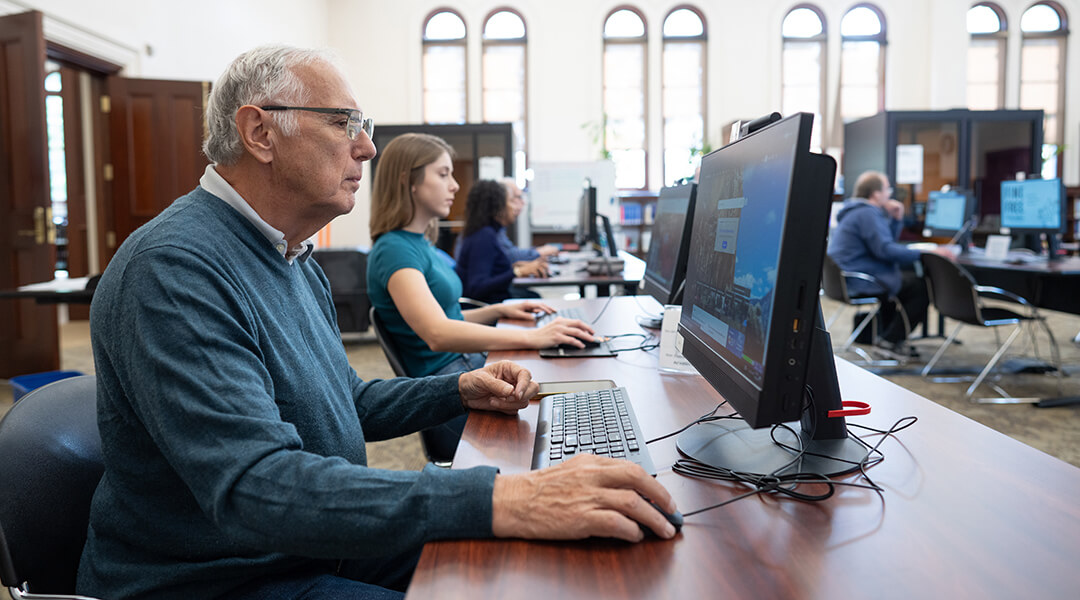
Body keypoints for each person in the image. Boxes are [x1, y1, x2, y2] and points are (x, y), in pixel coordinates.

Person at [78, 46, 677, 600]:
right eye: (345, 124)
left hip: (308, 544)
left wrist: (458, 387)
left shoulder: (289, 255)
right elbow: (255, 486)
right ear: (260, 131)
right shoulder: (175, 269)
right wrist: (506, 495)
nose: (367, 148)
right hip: (222, 579)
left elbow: (344, 401)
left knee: (549, 565)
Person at [367, 133, 597, 380]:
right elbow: (437, 333)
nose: (454, 185)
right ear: (408, 180)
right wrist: (532, 336)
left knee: (569, 371)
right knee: (565, 376)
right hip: (449, 381)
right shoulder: (395, 249)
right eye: (443, 174)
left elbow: (448, 316)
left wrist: (500, 310)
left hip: (465, 363)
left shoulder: (421, 244)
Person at [827, 171, 953, 356]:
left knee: (901, 283)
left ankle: (887, 337)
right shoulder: (867, 214)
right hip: (860, 278)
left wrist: (896, 219)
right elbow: (885, 251)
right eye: (887, 189)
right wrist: (927, 252)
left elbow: (885, 245)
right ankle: (889, 341)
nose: (890, 194)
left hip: (847, 277)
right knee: (921, 288)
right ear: (875, 193)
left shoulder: (855, 211)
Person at [455, 180, 540, 303]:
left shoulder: (485, 232)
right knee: (534, 299)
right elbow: (477, 287)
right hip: (489, 307)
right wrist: (517, 272)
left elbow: (489, 271)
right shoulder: (484, 236)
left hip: (495, 301)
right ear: (497, 206)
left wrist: (514, 268)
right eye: (510, 201)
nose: (514, 207)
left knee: (533, 296)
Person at [498, 177, 560, 264]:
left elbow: (509, 251)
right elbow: (509, 256)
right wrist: (538, 252)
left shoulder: (500, 228)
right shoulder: (490, 229)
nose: (523, 202)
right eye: (518, 197)